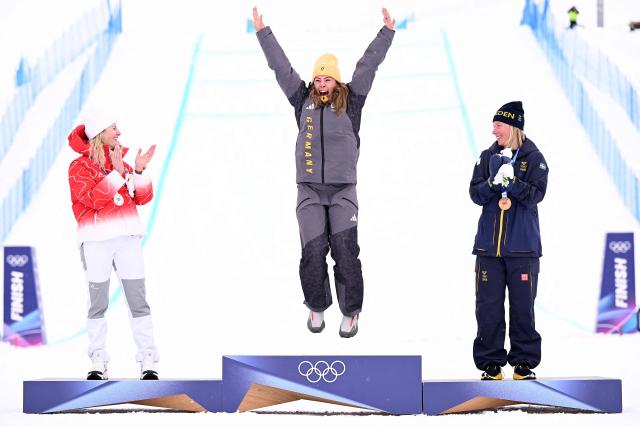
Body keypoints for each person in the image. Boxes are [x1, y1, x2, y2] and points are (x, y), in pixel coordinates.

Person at [251, 7, 395, 337]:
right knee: (313, 251)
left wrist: (386, 32)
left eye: (327, 78)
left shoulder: (352, 99)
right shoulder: (302, 100)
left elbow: (368, 65)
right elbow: (281, 67)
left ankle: (351, 312)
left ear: (336, 79)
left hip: (343, 191)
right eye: (317, 78)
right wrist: (263, 32)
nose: (321, 83)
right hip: (310, 191)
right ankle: (316, 306)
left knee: (345, 252)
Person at [67, 111, 159, 380]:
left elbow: (142, 198)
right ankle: (98, 359)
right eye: (113, 128)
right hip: (96, 241)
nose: (119, 133)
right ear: (99, 134)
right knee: (97, 303)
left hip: (127, 239)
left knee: (138, 301)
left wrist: (138, 170)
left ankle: (148, 359)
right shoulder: (78, 167)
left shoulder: (121, 164)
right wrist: (119, 174)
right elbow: (94, 199)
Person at [469, 101, 549, 380]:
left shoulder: (534, 158)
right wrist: (493, 183)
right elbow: (475, 194)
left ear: (513, 127)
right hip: (489, 249)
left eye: (498, 125)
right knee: (487, 308)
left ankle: (523, 364)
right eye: (493, 125)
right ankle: (491, 364)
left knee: (522, 308)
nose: (494, 131)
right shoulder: (486, 157)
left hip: (522, 248)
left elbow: (536, 195)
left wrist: (512, 182)